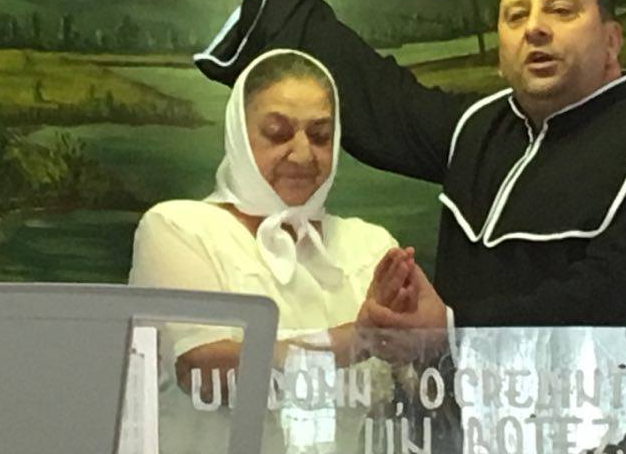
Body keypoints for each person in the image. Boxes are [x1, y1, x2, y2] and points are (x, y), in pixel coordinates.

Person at [190, 0, 626, 330]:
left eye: (561, 11)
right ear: (501, 51)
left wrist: (455, 327)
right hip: (475, 435)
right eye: (516, 16)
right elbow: (376, 96)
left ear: (612, 41)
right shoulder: (481, 128)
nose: (535, 29)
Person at [129, 48, 417, 400]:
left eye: (321, 135)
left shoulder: (371, 246)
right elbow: (203, 374)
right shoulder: (179, 228)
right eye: (278, 133)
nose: (303, 154)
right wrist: (356, 340)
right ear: (238, 134)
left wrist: (432, 335)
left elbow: (421, 395)